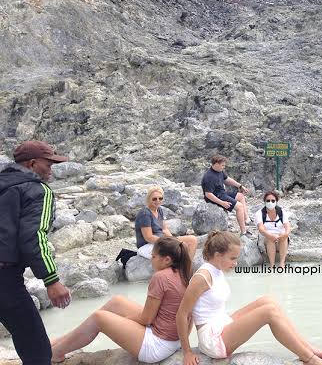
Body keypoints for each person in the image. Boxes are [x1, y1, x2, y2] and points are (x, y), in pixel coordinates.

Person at [176, 231, 322, 365]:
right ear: (218, 255)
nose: (236, 263)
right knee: (269, 312)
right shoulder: (202, 277)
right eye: (232, 258)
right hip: (213, 339)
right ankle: (310, 359)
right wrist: (187, 352)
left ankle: (308, 348)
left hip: (222, 324)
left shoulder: (216, 270)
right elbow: (182, 314)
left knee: (268, 300)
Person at [51, 237, 192, 363]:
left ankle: (56, 353)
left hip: (158, 345)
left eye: (153, 256)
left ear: (166, 260)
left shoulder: (161, 277)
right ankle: (61, 341)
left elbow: (146, 319)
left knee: (99, 318)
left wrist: (127, 319)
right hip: (174, 338)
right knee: (117, 301)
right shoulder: (184, 272)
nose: (151, 260)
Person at [0, 140, 72, 365]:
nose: (51, 170)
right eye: (48, 164)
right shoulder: (38, 190)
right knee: (37, 348)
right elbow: (33, 237)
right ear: (32, 164)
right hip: (5, 277)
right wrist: (52, 280)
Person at [135, 186, 197, 259]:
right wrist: (168, 243)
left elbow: (164, 229)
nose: (158, 200)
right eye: (154, 199)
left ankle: (187, 266)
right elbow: (149, 237)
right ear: (149, 199)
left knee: (192, 240)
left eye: (160, 198)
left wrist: (173, 240)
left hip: (162, 241)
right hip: (147, 245)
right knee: (174, 250)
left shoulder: (159, 210)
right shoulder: (145, 214)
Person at [201, 155, 251, 235]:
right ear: (216, 164)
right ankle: (243, 231)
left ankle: (246, 219)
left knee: (241, 196)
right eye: (222, 165)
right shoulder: (209, 177)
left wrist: (240, 186)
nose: (224, 167)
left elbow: (227, 179)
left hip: (222, 193)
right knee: (239, 207)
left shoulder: (219, 171)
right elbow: (208, 194)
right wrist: (222, 203)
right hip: (216, 197)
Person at [255, 191, 291, 268]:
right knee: (270, 238)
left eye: (273, 201)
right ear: (264, 202)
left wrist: (286, 234)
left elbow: (287, 225)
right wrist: (270, 235)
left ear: (276, 201)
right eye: (268, 200)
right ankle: (272, 265)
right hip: (266, 238)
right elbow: (261, 229)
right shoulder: (259, 213)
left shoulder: (281, 212)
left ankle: (282, 263)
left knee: (283, 235)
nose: (270, 202)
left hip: (280, 238)